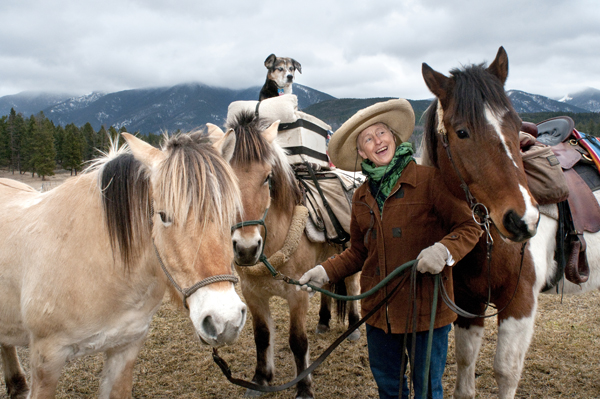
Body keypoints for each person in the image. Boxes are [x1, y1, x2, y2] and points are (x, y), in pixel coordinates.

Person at [298, 99, 482, 399]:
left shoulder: (430, 181)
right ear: (361, 153)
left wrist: (443, 251)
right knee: (389, 389)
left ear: (394, 138)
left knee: (426, 391)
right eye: (367, 139)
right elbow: (358, 252)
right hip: (379, 315)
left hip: (425, 311)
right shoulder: (360, 197)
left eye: (381, 132)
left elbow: (470, 226)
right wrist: (323, 271)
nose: (377, 141)